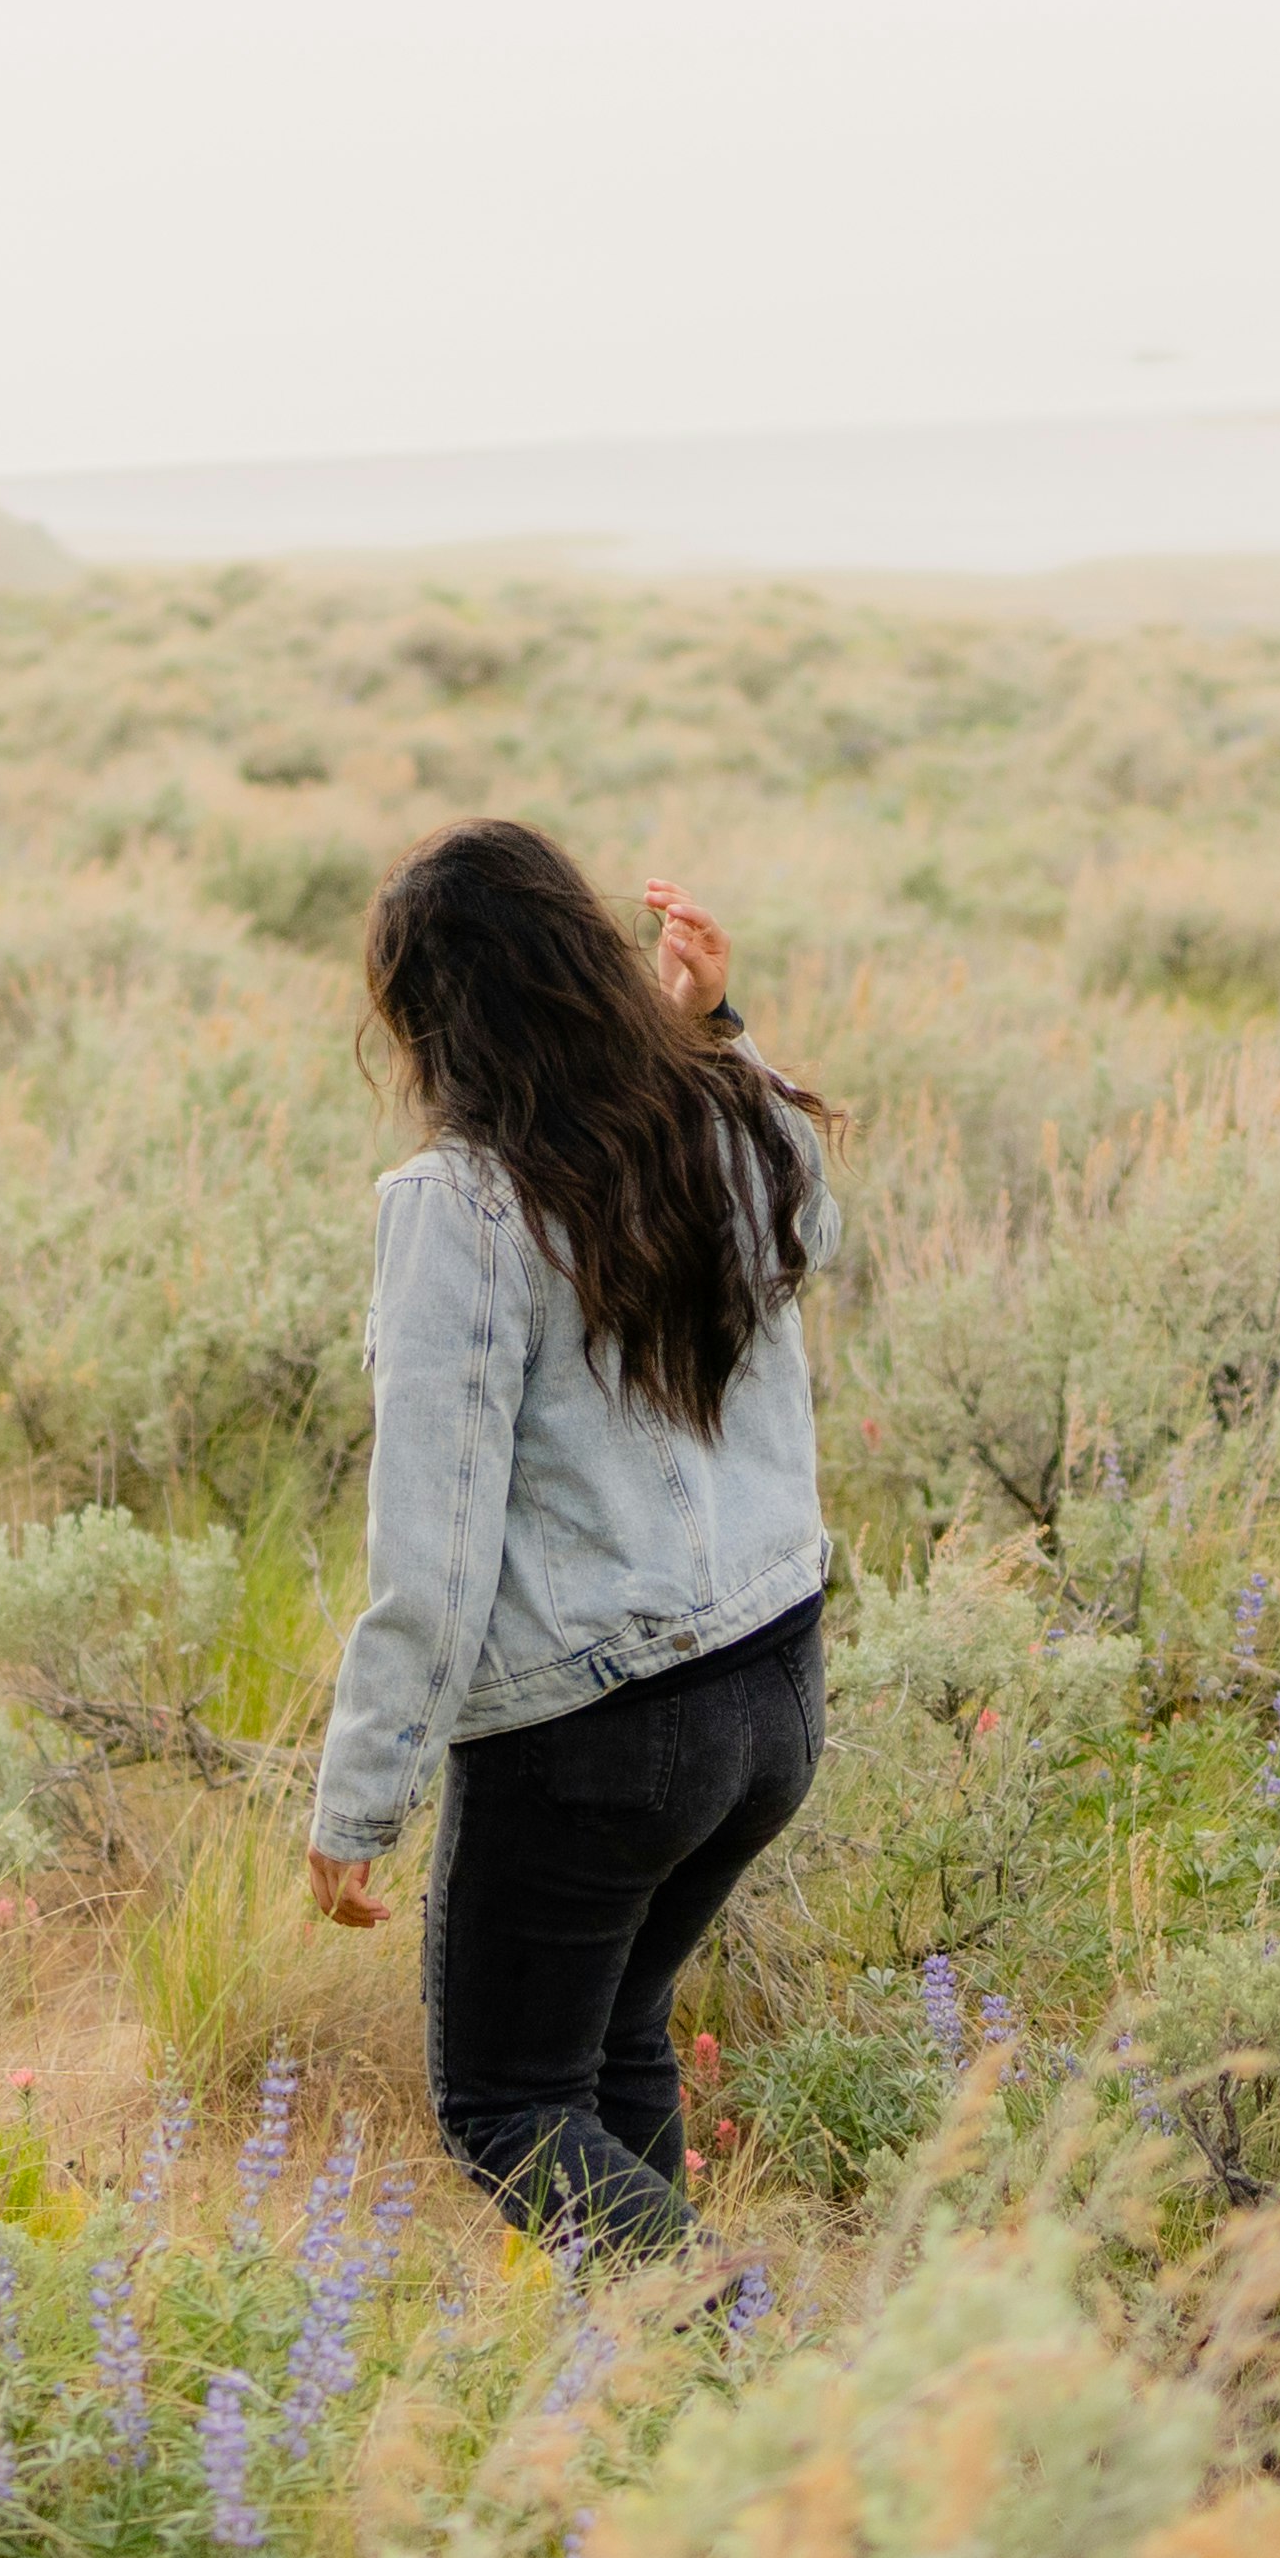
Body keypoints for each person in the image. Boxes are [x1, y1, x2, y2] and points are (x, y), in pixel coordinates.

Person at [304, 817, 828, 2258]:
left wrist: (362, 1797)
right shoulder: (711, 1112)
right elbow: (814, 1217)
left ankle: (739, 2357)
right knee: (607, 2051)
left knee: (508, 2101)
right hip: (773, 1687)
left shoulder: (461, 1207)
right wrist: (717, 1030)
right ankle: (674, 2410)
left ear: (433, 1016)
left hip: (603, 1734)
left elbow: (435, 1543)